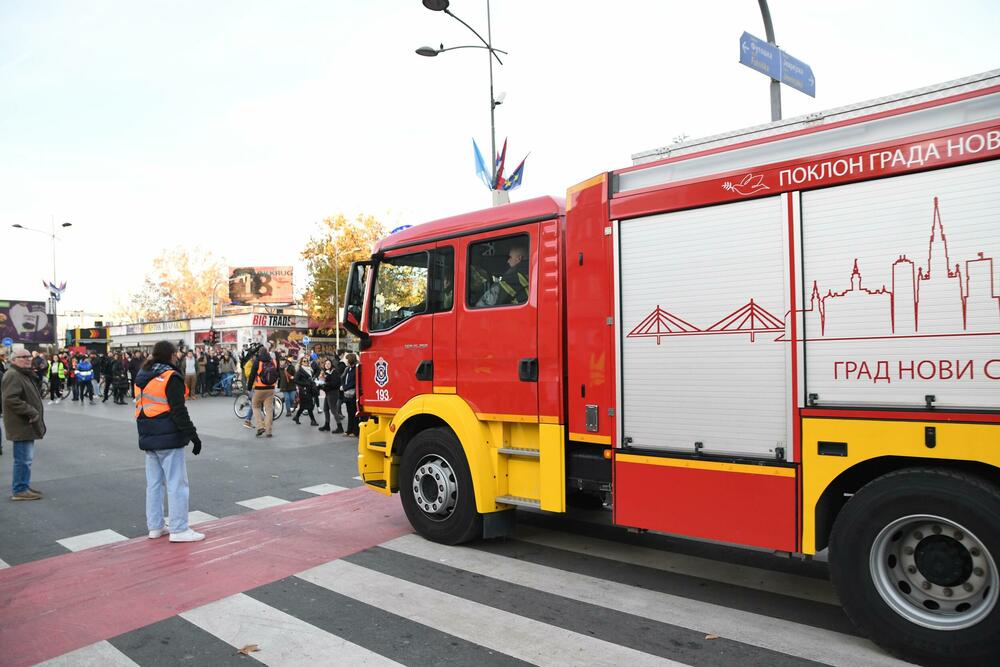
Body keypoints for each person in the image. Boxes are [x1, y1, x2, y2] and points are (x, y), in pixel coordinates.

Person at [135, 340, 204, 542]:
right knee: (177, 483)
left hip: (148, 434)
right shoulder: (170, 376)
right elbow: (179, 411)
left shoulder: (143, 375)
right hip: (168, 436)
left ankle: (155, 526)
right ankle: (179, 529)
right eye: (176, 353)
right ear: (171, 355)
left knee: (154, 484)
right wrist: (193, 436)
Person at [2, 348, 46, 501]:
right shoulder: (13, 375)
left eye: (29, 356)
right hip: (21, 423)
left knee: (26, 459)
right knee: (23, 459)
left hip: (25, 423)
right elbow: (10, 399)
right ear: (14, 360)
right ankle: (20, 489)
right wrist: (31, 411)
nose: (28, 359)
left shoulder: (22, 373)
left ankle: (23, 485)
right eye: (23, 357)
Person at [248, 348, 278, 437]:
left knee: (255, 406)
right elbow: (277, 374)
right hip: (271, 388)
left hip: (259, 388)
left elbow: (252, 375)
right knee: (269, 409)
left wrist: (249, 387)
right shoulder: (273, 361)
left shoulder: (258, 361)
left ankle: (260, 427)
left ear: (259, 353)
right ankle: (269, 431)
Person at [317, 358, 343, 433]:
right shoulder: (326, 372)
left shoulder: (334, 372)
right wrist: (320, 385)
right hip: (328, 393)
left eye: (328, 363)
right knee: (325, 409)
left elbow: (335, 383)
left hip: (333, 393)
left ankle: (340, 427)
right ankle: (327, 425)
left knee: (333, 410)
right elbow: (325, 382)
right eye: (326, 364)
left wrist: (324, 384)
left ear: (331, 364)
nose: (327, 365)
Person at [292, 357, 318, 426]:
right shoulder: (299, 371)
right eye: (304, 361)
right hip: (304, 391)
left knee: (303, 406)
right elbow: (295, 380)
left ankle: (297, 417)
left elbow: (310, 379)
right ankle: (313, 421)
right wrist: (304, 384)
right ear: (301, 362)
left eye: (307, 361)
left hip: (310, 390)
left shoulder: (310, 369)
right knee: (309, 406)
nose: (306, 362)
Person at [341, 352, 359, 437]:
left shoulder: (356, 369)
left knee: (354, 413)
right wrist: (343, 386)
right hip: (347, 393)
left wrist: (345, 387)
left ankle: (355, 431)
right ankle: (349, 430)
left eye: (347, 359)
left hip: (353, 394)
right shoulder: (348, 369)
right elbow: (344, 379)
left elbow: (354, 382)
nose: (346, 361)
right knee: (349, 412)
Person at [280, 353, 297, 417]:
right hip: (284, 386)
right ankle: (288, 411)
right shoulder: (279, 368)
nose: (281, 362)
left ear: (285, 361)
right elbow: (276, 375)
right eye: (280, 361)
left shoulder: (291, 367)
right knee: (287, 399)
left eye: (283, 361)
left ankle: (293, 405)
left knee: (292, 398)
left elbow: (295, 375)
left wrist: (293, 377)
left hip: (292, 385)